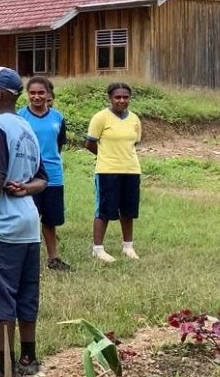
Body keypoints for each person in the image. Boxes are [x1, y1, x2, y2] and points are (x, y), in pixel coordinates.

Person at [0, 66, 49, 377]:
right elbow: (42, 179)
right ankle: (29, 359)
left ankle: (5, 368)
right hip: (29, 224)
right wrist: (26, 189)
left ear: (0, 95)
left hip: (2, 225)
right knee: (25, 294)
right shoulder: (26, 127)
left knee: (1, 296)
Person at [84, 83, 142, 263]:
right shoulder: (101, 118)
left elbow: (135, 143)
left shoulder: (134, 119)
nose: (122, 100)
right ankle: (98, 249)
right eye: (118, 97)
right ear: (110, 98)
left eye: (125, 97)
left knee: (128, 210)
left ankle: (128, 246)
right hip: (107, 171)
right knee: (104, 210)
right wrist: (107, 157)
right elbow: (90, 143)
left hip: (131, 170)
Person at [18, 77, 71, 271]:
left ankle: (53, 258)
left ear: (48, 94)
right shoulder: (20, 117)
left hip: (53, 176)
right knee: (28, 218)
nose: (36, 96)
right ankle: (25, 260)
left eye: (41, 93)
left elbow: (58, 146)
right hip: (28, 176)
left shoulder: (58, 117)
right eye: (32, 93)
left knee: (50, 219)